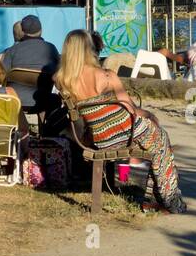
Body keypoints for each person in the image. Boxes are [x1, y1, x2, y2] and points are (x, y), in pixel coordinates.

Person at [54, 30, 185, 213]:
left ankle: (152, 196)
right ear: (89, 49)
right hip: (124, 131)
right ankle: (167, 200)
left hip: (98, 138)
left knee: (154, 139)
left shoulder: (63, 80)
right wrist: (148, 114)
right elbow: (130, 109)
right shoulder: (106, 76)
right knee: (161, 139)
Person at [0, 14, 60, 113]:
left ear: (23, 32)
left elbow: (2, 75)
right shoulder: (51, 48)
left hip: (15, 100)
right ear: (41, 31)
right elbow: (59, 74)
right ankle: (46, 127)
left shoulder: (12, 50)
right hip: (44, 100)